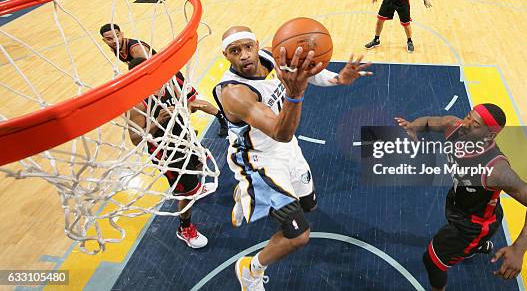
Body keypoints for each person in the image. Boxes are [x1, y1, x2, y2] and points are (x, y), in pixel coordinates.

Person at [213, 26, 372, 290]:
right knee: (298, 235)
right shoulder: (234, 93)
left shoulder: (268, 55)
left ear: (256, 45)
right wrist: (294, 95)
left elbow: (303, 73)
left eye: (247, 47)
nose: (244, 56)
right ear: (225, 56)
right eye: (234, 51)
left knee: (309, 203)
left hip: (286, 149)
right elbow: (280, 133)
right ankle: (250, 270)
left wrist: (337, 79)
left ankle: (244, 195)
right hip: (259, 160)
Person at [395, 104, 527, 291]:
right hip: (462, 201)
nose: (465, 124)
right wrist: (413, 127)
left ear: (489, 136)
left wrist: (519, 249)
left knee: (432, 260)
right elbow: (427, 122)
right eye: (467, 117)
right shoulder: (454, 125)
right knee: (459, 224)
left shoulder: (497, 170)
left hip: (474, 225)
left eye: (474, 125)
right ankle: (479, 247)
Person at [127, 57, 216, 248]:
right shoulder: (136, 105)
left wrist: (187, 107)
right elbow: (135, 139)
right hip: (166, 152)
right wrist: (157, 120)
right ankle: (184, 228)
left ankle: (196, 188)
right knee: (186, 193)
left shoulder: (168, 84)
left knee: (200, 163)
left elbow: (187, 104)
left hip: (185, 138)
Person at [99, 23, 229, 137]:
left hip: (168, 76)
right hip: (155, 81)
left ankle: (222, 117)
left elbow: (152, 70)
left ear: (121, 33)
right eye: (110, 39)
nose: (115, 40)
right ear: (104, 40)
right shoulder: (115, 48)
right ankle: (185, 130)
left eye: (117, 35)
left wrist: (168, 87)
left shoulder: (136, 49)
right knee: (169, 108)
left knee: (191, 102)